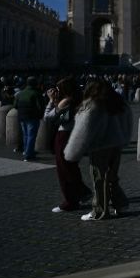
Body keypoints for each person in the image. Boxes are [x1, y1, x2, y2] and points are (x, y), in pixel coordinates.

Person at [64, 80, 133, 221]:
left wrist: (72, 152)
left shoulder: (92, 105)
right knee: (112, 177)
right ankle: (120, 204)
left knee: (99, 179)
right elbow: (128, 122)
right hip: (116, 145)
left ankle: (99, 211)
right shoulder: (119, 103)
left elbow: (82, 131)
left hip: (99, 147)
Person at [44, 77, 92, 212]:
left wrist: (51, 101)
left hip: (64, 135)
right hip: (74, 134)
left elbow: (47, 117)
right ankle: (80, 193)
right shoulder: (79, 98)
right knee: (71, 167)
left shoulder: (66, 100)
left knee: (63, 169)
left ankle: (72, 200)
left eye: (59, 89)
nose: (56, 91)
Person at [13, 76, 46, 161]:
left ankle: (27, 150)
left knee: (26, 135)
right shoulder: (36, 93)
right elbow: (40, 106)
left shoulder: (20, 93)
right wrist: (41, 115)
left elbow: (15, 106)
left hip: (22, 117)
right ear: (35, 83)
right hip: (32, 117)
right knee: (31, 135)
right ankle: (28, 155)